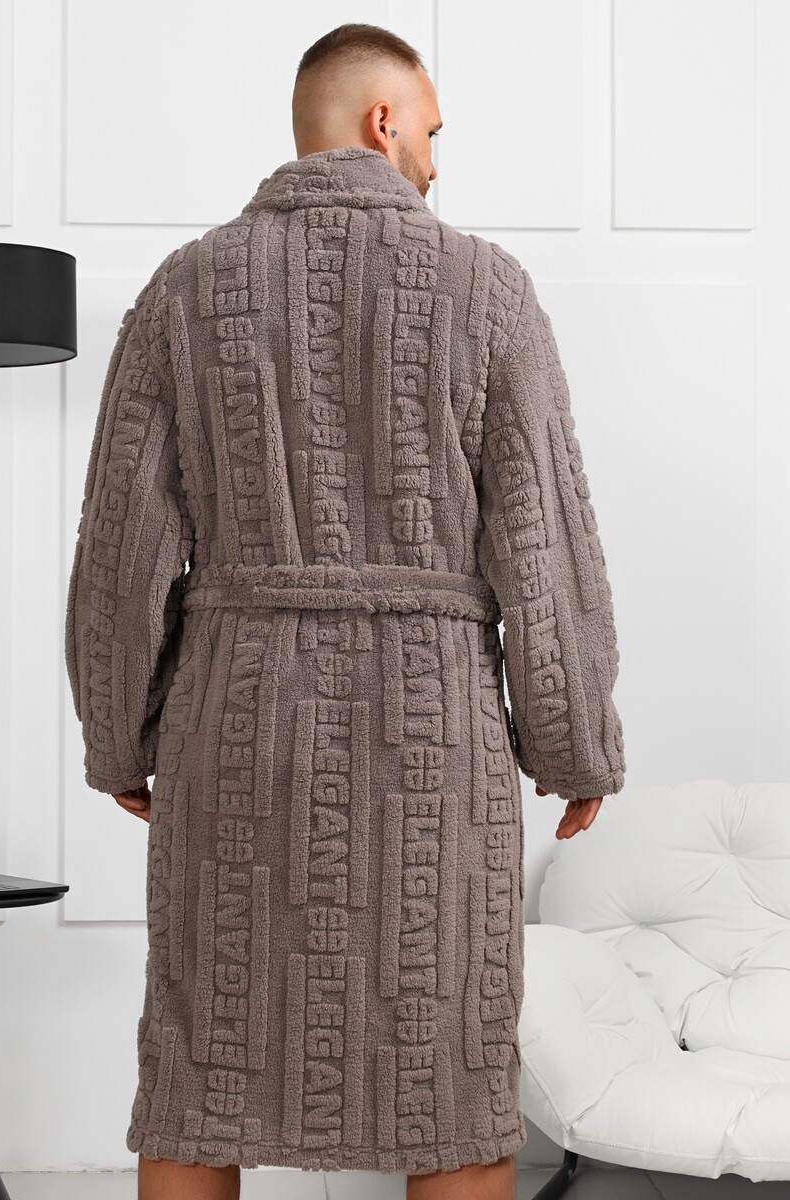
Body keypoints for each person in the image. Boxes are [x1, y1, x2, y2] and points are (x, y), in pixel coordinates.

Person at [64, 21, 626, 1200]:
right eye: (431, 131)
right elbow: (543, 541)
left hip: (236, 727)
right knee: (448, 1076)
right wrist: (574, 744)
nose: (435, 160)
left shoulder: (185, 288)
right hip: (432, 745)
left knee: (201, 1070)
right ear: (384, 121)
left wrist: (119, 735)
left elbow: (119, 550)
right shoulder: (487, 289)